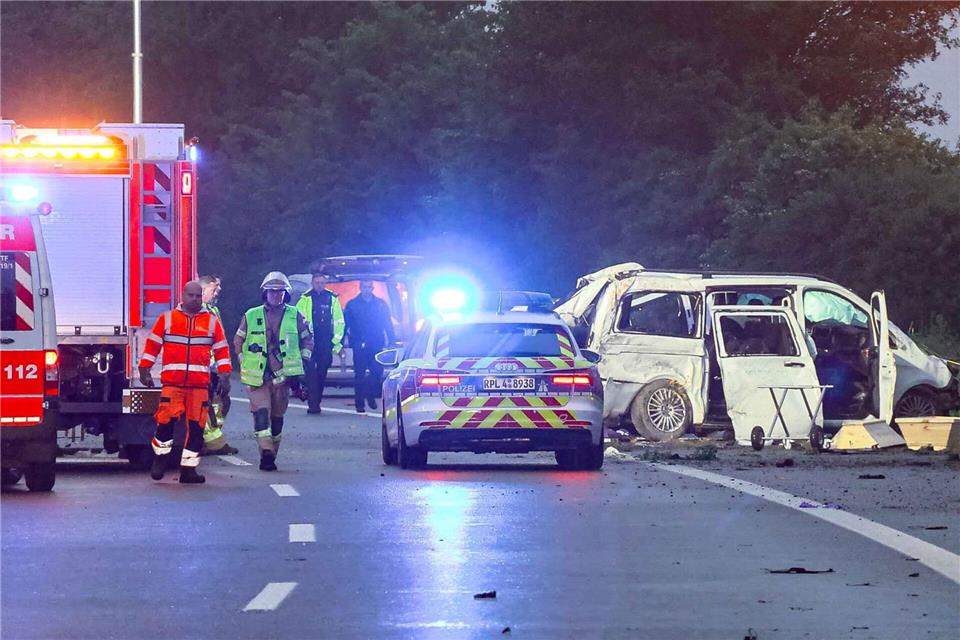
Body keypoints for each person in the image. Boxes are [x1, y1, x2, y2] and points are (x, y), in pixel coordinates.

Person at [138, 281, 232, 484]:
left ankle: (189, 470)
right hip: (173, 384)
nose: (195, 299)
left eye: (199, 296)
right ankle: (160, 460)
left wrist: (225, 375)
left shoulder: (211, 321)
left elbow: (222, 350)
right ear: (183, 296)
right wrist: (144, 367)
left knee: (197, 429)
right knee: (165, 424)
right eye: (191, 295)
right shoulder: (168, 319)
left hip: (199, 386)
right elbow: (153, 344)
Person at [234, 272, 313, 471]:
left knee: (277, 418)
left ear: (286, 294)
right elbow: (238, 342)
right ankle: (266, 453)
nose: (275, 295)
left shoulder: (296, 315)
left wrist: (302, 362)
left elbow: (308, 340)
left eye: (280, 292)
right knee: (261, 414)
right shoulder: (251, 315)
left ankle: (272, 451)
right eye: (271, 292)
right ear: (265, 293)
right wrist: (245, 363)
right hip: (257, 378)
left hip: (284, 378)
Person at [198, 275, 238, 455]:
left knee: (220, 402)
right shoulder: (200, 312)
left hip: (214, 367)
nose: (218, 291)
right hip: (205, 368)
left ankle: (211, 439)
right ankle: (211, 442)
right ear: (203, 290)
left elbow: (219, 342)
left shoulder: (212, 310)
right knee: (209, 405)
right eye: (214, 288)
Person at [296, 270, 345, 415]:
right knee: (310, 373)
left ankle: (316, 398)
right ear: (312, 283)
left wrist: (336, 343)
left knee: (322, 373)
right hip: (309, 342)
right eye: (317, 283)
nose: (320, 285)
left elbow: (339, 321)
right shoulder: (305, 299)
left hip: (326, 342)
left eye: (322, 283)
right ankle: (313, 405)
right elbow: (297, 321)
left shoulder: (332, 299)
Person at [344, 280, 395, 413]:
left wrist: (392, 340)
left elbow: (387, 323)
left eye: (369, 287)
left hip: (376, 342)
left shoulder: (380, 304)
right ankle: (359, 404)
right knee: (359, 374)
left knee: (377, 372)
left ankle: (370, 394)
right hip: (358, 343)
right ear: (360, 288)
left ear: (372, 288)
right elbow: (345, 324)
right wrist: (341, 341)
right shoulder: (352, 305)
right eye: (364, 287)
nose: (367, 289)